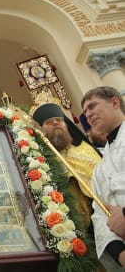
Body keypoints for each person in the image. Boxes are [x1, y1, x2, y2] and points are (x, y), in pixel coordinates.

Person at [33, 103, 102, 232]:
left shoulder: (84, 148)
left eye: (59, 120)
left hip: (106, 212)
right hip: (76, 228)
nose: (55, 123)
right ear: (41, 130)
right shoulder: (42, 160)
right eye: (48, 122)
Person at [81, 86, 125, 271]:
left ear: (114, 102)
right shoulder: (99, 169)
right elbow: (100, 216)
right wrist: (120, 253)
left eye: (92, 106)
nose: (88, 114)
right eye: (85, 112)